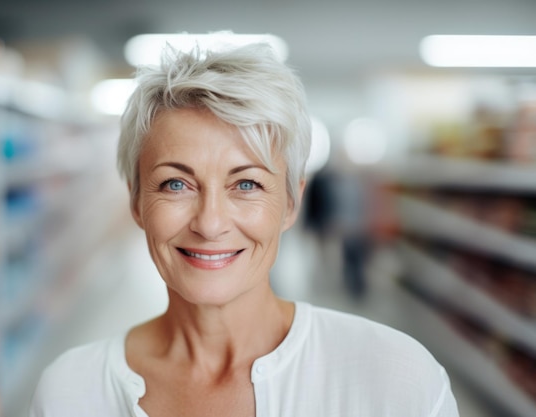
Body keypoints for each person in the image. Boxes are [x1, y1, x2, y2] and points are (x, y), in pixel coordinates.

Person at [29, 41, 459, 416]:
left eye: (247, 183)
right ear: (136, 202)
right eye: (176, 183)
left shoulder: (398, 380)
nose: (211, 223)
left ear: (290, 203)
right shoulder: (70, 392)